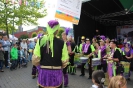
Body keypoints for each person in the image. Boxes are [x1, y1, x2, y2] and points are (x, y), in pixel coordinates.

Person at [32, 20, 69, 88]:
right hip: (57, 73)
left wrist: (39, 67)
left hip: (44, 73)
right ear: (57, 31)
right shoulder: (62, 43)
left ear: (47, 29)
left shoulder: (40, 40)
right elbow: (65, 60)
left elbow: (35, 59)